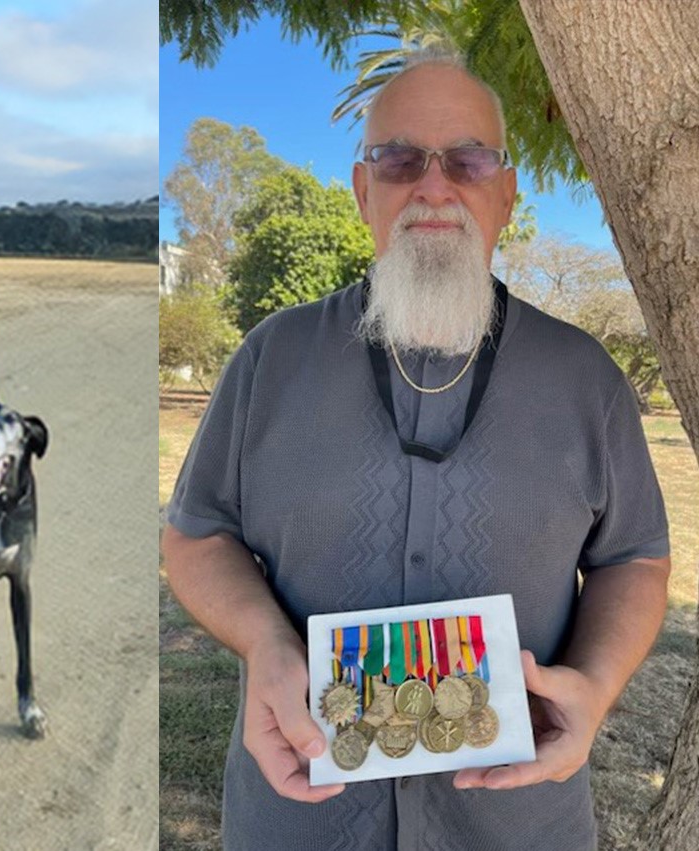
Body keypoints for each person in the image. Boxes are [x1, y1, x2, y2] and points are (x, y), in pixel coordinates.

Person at [162, 53, 670, 850]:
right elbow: (196, 533)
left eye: (468, 160)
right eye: (399, 159)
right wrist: (263, 639)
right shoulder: (269, 359)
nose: (435, 187)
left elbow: (635, 556)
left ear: (506, 194)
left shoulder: (588, 380)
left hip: (519, 823)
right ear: (365, 191)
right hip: (299, 812)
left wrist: (598, 685)